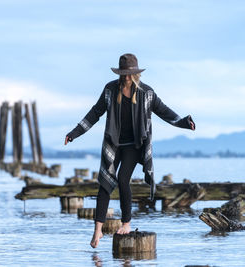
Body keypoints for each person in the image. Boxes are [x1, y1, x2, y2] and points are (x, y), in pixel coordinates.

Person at [64, 53, 195, 248]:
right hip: (114, 144)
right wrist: (74, 133)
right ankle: (98, 230)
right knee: (105, 183)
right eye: (123, 74)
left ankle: (126, 223)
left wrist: (184, 122)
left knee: (123, 179)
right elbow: (95, 113)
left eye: (129, 74)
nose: (126, 77)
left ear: (135, 74)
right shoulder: (110, 90)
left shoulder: (146, 93)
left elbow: (164, 111)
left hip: (134, 146)